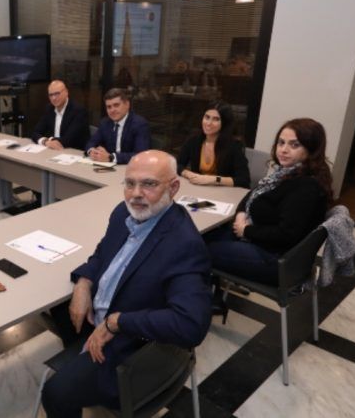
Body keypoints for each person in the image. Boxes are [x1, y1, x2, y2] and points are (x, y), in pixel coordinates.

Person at [42, 150, 211, 417]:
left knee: (55, 393)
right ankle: (83, 364)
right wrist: (84, 283)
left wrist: (117, 322)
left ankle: (86, 379)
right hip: (106, 315)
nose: (135, 194)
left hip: (133, 347)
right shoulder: (124, 212)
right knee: (57, 305)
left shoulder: (183, 244)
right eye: (130, 183)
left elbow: (192, 325)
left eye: (149, 184)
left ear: (173, 188)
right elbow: (102, 253)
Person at [206, 118, 333, 288]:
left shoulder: (306, 186)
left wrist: (246, 230)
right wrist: (241, 213)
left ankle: (198, 297)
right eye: (281, 142)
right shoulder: (285, 174)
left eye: (294, 145)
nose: (284, 150)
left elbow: (285, 235)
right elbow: (254, 194)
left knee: (195, 249)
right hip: (261, 244)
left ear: (311, 149)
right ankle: (210, 291)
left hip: (276, 261)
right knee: (196, 238)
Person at [177, 101, 250, 188]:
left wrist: (214, 179)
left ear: (225, 123)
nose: (208, 123)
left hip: (224, 192)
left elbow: (244, 180)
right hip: (198, 189)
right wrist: (188, 174)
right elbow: (177, 165)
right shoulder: (194, 140)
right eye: (207, 117)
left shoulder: (234, 145)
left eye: (216, 119)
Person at [85, 88, 150, 165]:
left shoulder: (140, 124)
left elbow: (140, 155)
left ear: (127, 105)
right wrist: (92, 151)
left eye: (116, 105)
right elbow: (92, 142)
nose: (112, 110)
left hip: (130, 167)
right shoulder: (105, 122)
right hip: (108, 166)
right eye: (109, 107)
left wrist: (111, 157)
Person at [31, 80, 89, 151]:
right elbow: (35, 132)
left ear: (66, 92)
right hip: (54, 151)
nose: (53, 98)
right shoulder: (49, 109)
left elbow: (67, 140)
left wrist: (49, 140)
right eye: (51, 95)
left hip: (73, 152)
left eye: (57, 93)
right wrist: (45, 141)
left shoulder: (78, 111)